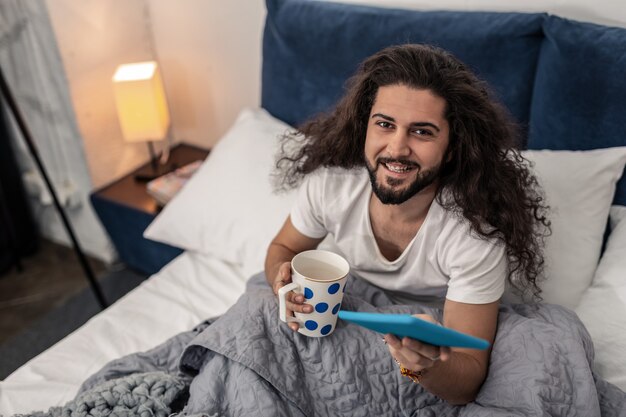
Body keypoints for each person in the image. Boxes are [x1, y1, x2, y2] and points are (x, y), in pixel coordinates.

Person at [264, 44, 550, 405]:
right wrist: (280, 281)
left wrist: (427, 366)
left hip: (431, 331)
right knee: (255, 306)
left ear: (452, 145)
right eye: (385, 124)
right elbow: (284, 249)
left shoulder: (474, 234)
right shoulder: (331, 184)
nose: (397, 148)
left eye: (422, 132)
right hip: (348, 307)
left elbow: (468, 378)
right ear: (364, 125)